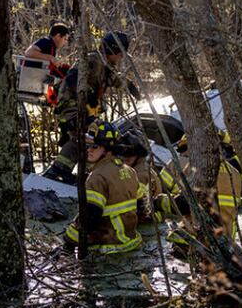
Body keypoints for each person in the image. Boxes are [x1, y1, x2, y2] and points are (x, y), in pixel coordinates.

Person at [42, 31, 140, 184]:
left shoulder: (103, 63)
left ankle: (75, 172)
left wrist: (130, 87)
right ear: (113, 50)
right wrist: (87, 99)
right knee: (91, 137)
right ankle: (62, 170)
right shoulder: (93, 60)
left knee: (87, 137)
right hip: (72, 107)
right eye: (120, 54)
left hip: (78, 107)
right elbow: (73, 79)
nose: (121, 58)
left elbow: (111, 78)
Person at [62, 122, 143, 256]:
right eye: (88, 146)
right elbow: (141, 207)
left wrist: (68, 242)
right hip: (131, 242)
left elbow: (88, 219)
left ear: (108, 149)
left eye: (94, 146)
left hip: (109, 248)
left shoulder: (97, 177)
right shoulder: (130, 171)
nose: (89, 150)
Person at [162, 133, 242, 247]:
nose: (184, 154)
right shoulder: (234, 173)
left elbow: (183, 203)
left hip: (200, 239)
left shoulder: (196, 168)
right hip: (228, 238)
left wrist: (159, 203)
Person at [118, 129, 162, 223]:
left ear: (139, 153)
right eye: (123, 153)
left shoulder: (140, 174)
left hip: (146, 221)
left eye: (130, 153)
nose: (125, 158)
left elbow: (139, 206)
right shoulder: (141, 168)